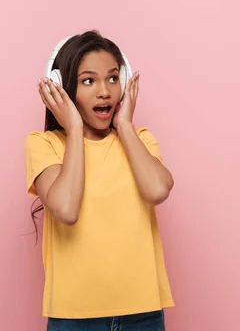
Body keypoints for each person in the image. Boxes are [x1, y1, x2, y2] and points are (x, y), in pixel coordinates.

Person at [25, 30, 175, 330]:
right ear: (62, 88)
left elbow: (158, 190)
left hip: (143, 314)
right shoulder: (44, 145)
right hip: (74, 318)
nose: (104, 91)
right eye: (88, 80)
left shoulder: (140, 140)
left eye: (112, 78)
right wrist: (75, 129)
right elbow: (66, 209)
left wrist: (126, 126)